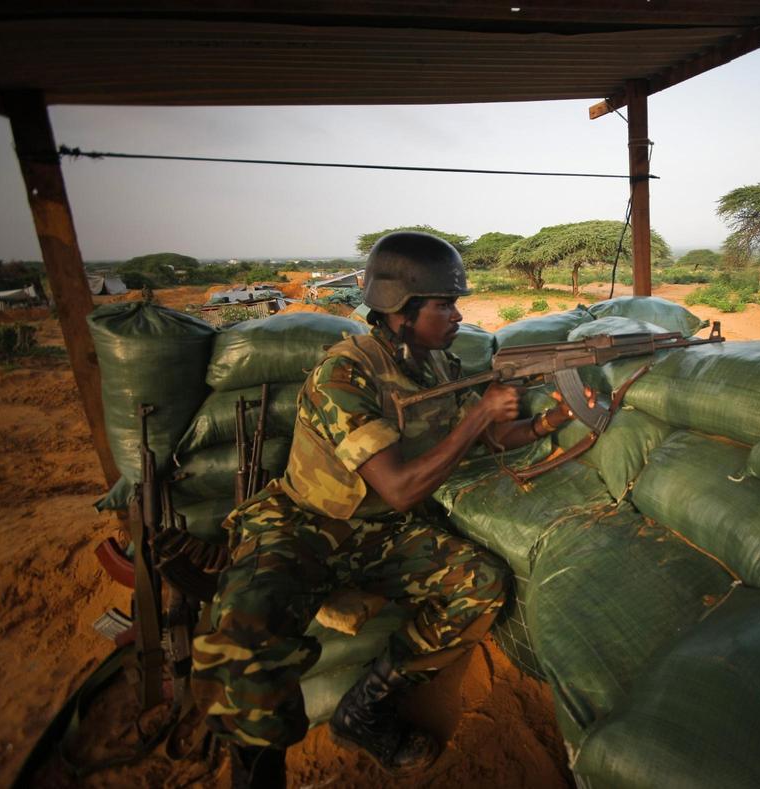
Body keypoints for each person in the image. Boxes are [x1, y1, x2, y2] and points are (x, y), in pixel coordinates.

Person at [191, 231, 580, 788]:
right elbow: (399, 485)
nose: (456, 315)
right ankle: (257, 771)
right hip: (302, 523)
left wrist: (546, 422)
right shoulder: (343, 375)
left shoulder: (438, 366)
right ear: (401, 309)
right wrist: (478, 417)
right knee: (246, 631)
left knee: (482, 583)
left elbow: (492, 435)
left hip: (381, 531)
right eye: (445, 304)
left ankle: (365, 708)